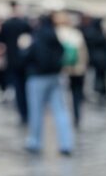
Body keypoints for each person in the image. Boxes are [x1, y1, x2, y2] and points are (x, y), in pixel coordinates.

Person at [24, 13, 74, 156]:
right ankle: (66, 143)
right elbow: (62, 53)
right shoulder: (54, 36)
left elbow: (29, 55)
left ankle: (35, 141)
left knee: (36, 110)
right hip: (55, 76)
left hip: (38, 77)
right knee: (60, 111)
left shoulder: (37, 36)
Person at [54, 11, 88, 129]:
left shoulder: (55, 33)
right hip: (77, 70)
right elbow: (83, 53)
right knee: (76, 94)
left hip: (61, 69)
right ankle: (77, 116)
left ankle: (62, 118)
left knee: (61, 96)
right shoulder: (76, 33)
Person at [0, 0, 31, 125]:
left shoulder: (6, 24)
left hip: (12, 60)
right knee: (25, 86)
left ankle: (22, 112)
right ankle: (27, 111)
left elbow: (1, 42)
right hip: (24, 59)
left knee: (18, 87)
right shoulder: (24, 23)